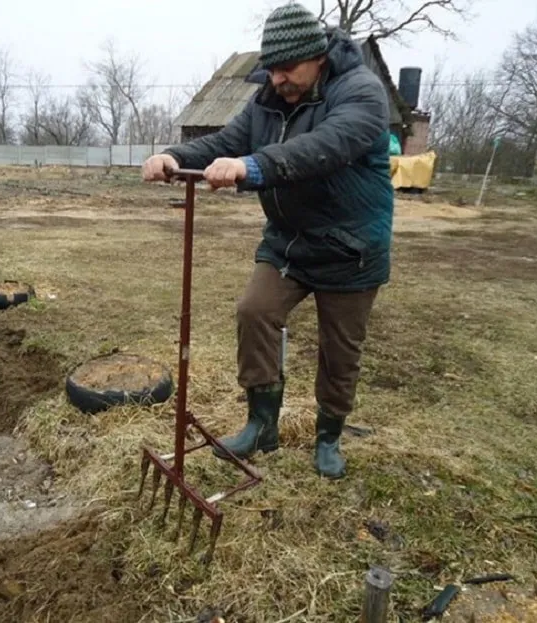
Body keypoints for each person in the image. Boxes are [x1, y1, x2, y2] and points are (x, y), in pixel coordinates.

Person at [142, 2, 394, 480]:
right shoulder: (268, 102)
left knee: (339, 351)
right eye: (271, 69)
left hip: (351, 249)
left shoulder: (361, 93)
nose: (277, 79)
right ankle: (262, 424)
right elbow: (224, 143)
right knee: (255, 312)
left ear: (317, 56)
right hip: (289, 244)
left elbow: (325, 147)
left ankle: (328, 438)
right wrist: (173, 155)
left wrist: (253, 167)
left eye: (286, 68)